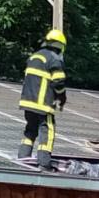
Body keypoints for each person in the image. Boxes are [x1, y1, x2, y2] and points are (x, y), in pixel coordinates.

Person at [17, 29, 67, 169]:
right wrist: (62, 97)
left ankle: (23, 158)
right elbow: (59, 82)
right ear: (60, 45)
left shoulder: (34, 57)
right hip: (43, 104)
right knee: (47, 130)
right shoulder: (54, 59)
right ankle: (44, 162)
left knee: (30, 130)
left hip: (27, 102)